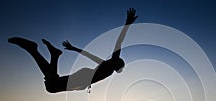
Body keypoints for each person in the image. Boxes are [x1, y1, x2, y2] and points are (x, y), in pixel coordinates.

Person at [8, 8, 138, 93]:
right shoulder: (110, 66)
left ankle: (55, 55)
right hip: (82, 80)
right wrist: (127, 24)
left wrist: (74, 48)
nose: (115, 58)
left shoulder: (107, 65)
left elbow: (89, 55)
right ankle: (33, 50)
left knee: (52, 85)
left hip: (82, 79)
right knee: (51, 85)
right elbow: (119, 42)